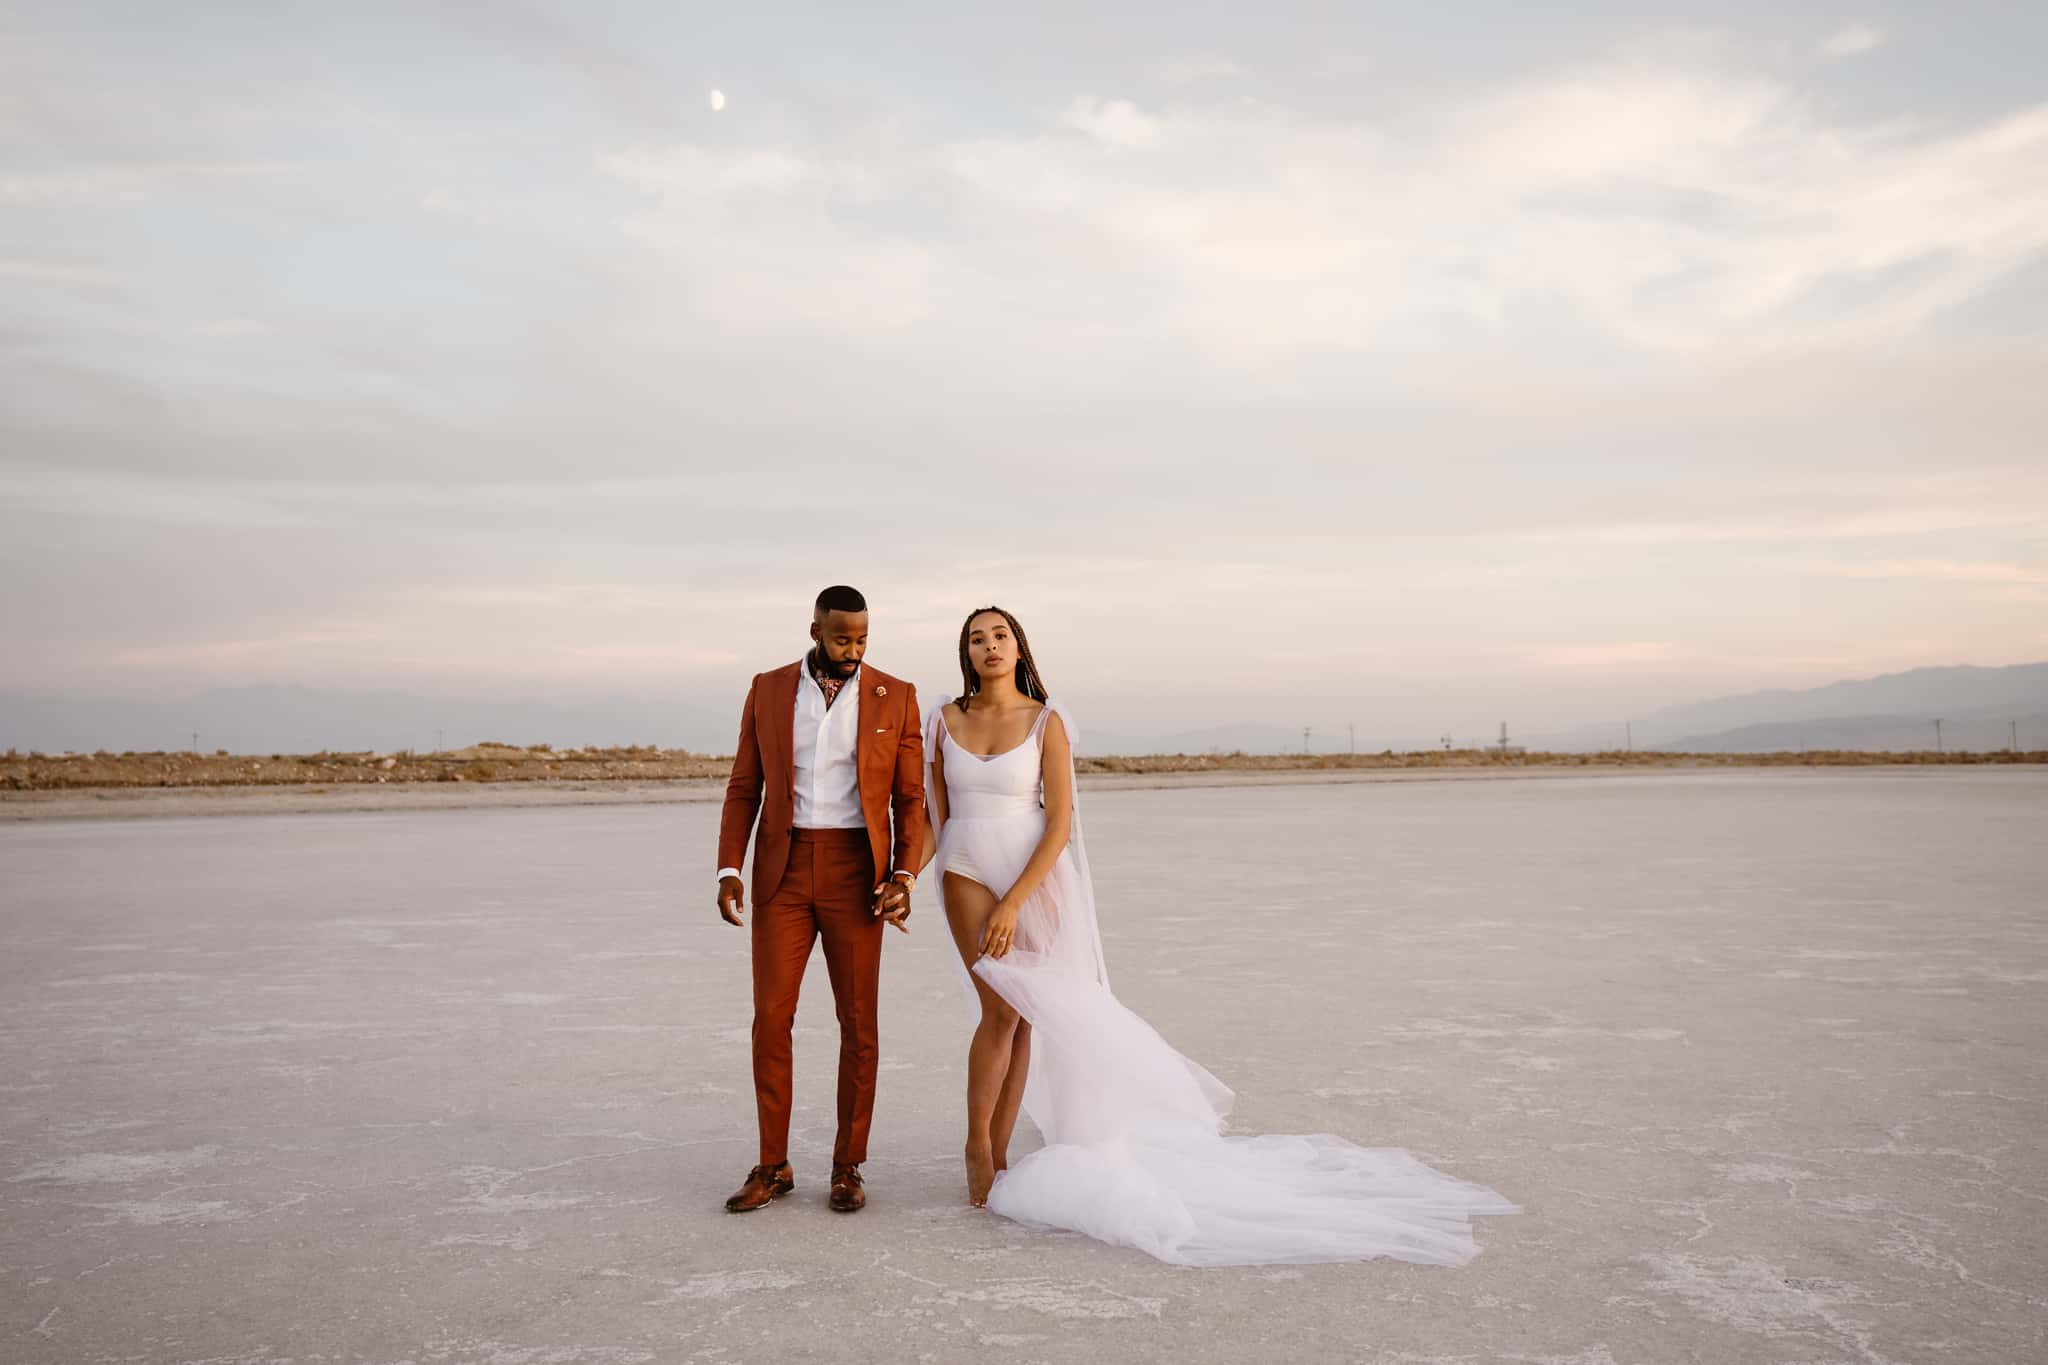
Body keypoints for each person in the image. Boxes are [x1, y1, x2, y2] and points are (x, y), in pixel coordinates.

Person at [919, 605, 1518, 1266]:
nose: (990, 645)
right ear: (966, 653)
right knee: (998, 1007)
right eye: (977, 638)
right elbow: (936, 816)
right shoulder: (943, 720)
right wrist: (904, 875)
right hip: (967, 863)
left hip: (1036, 871)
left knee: (1027, 1015)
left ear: (1019, 646)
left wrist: (1019, 899)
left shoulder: (1046, 720)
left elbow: (1058, 820)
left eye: (1000, 634)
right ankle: (979, 1145)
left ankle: (1000, 1153)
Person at [714, 585, 926, 1216]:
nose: (854, 650)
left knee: (859, 1024)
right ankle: (772, 1165)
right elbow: (743, 785)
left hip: (856, 874)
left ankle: (847, 1165)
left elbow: (910, 799)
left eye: (863, 639)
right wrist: (729, 867)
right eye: (842, 638)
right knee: (770, 1021)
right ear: (815, 631)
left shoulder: (898, 695)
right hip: (782, 870)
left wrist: (904, 874)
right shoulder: (770, 688)